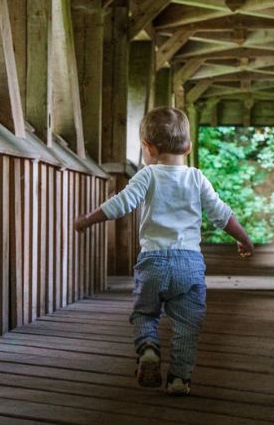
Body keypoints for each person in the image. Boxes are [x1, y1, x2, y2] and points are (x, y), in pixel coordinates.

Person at [74, 106, 254, 396]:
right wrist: (244, 239)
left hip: (153, 262)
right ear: (189, 146)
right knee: (188, 324)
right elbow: (221, 214)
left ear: (148, 147)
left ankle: (148, 347)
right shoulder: (197, 178)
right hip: (190, 264)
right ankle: (179, 378)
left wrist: (87, 220)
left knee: (145, 313)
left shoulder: (148, 176)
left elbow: (120, 204)